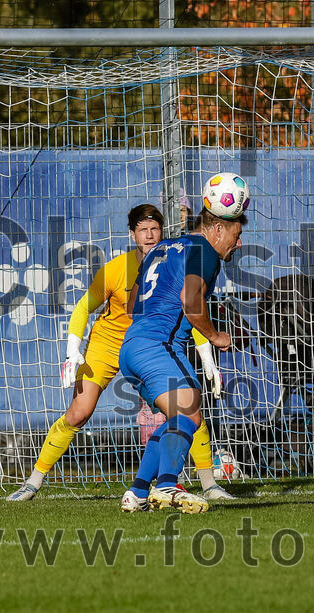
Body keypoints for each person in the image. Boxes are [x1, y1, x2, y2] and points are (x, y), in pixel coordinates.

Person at [7, 205, 233, 502]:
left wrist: (207, 359)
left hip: (147, 346)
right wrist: (72, 350)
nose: (150, 235)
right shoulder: (116, 268)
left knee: (184, 410)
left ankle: (207, 485)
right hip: (109, 346)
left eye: (155, 229)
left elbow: (186, 316)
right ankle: (33, 482)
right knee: (79, 413)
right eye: (143, 230)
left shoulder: (172, 257)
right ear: (132, 234)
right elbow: (83, 307)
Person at [119, 208, 245, 513]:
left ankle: (137, 493)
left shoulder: (162, 248)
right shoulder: (204, 250)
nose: (238, 243)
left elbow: (133, 303)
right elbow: (191, 303)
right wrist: (216, 337)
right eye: (236, 235)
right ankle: (167, 484)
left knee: (183, 419)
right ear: (216, 229)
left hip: (132, 347)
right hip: (158, 345)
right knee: (189, 410)